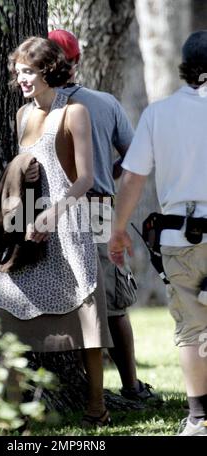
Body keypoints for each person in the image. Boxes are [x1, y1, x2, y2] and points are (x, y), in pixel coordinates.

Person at [0, 36, 113, 427]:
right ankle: (13, 417)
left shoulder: (74, 112)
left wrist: (53, 215)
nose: (22, 79)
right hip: (28, 231)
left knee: (87, 316)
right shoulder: (22, 115)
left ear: (49, 70)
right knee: (6, 311)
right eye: (19, 72)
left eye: (30, 71)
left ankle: (97, 409)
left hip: (70, 225)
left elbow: (86, 177)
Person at [48, 29, 160, 402]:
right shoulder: (104, 103)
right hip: (95, 207)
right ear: (77, 61)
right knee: (110, 305)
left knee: (69, 301)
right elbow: (135, 152)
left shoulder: (37, 104)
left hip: (44, 213)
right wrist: (106, 173)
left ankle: (86, 386)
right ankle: (130, 387)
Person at [108, 30, 207, 436]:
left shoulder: (158, 114)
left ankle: (199, 418)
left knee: (191, 328)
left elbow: (132, 179)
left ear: (185, 68)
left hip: (180, 237)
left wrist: (117, 230)